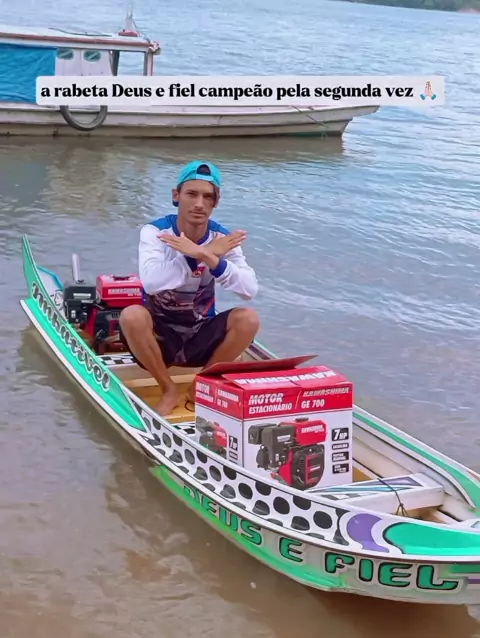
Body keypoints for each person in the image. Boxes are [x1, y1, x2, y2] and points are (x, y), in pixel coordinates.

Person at [119, 160, 260, 416]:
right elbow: (151, 282)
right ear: (176, 196)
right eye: (191, 194)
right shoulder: (156, 232)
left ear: (216, 202)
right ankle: (168, 389)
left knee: (248, 319)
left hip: (199, 334)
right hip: (160, 337)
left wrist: (210, 258)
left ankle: (200, 387)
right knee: (131, 316)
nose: (199, 204)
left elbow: (249, 289)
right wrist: (199, 255)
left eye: (207, 197)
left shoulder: (223, 239)